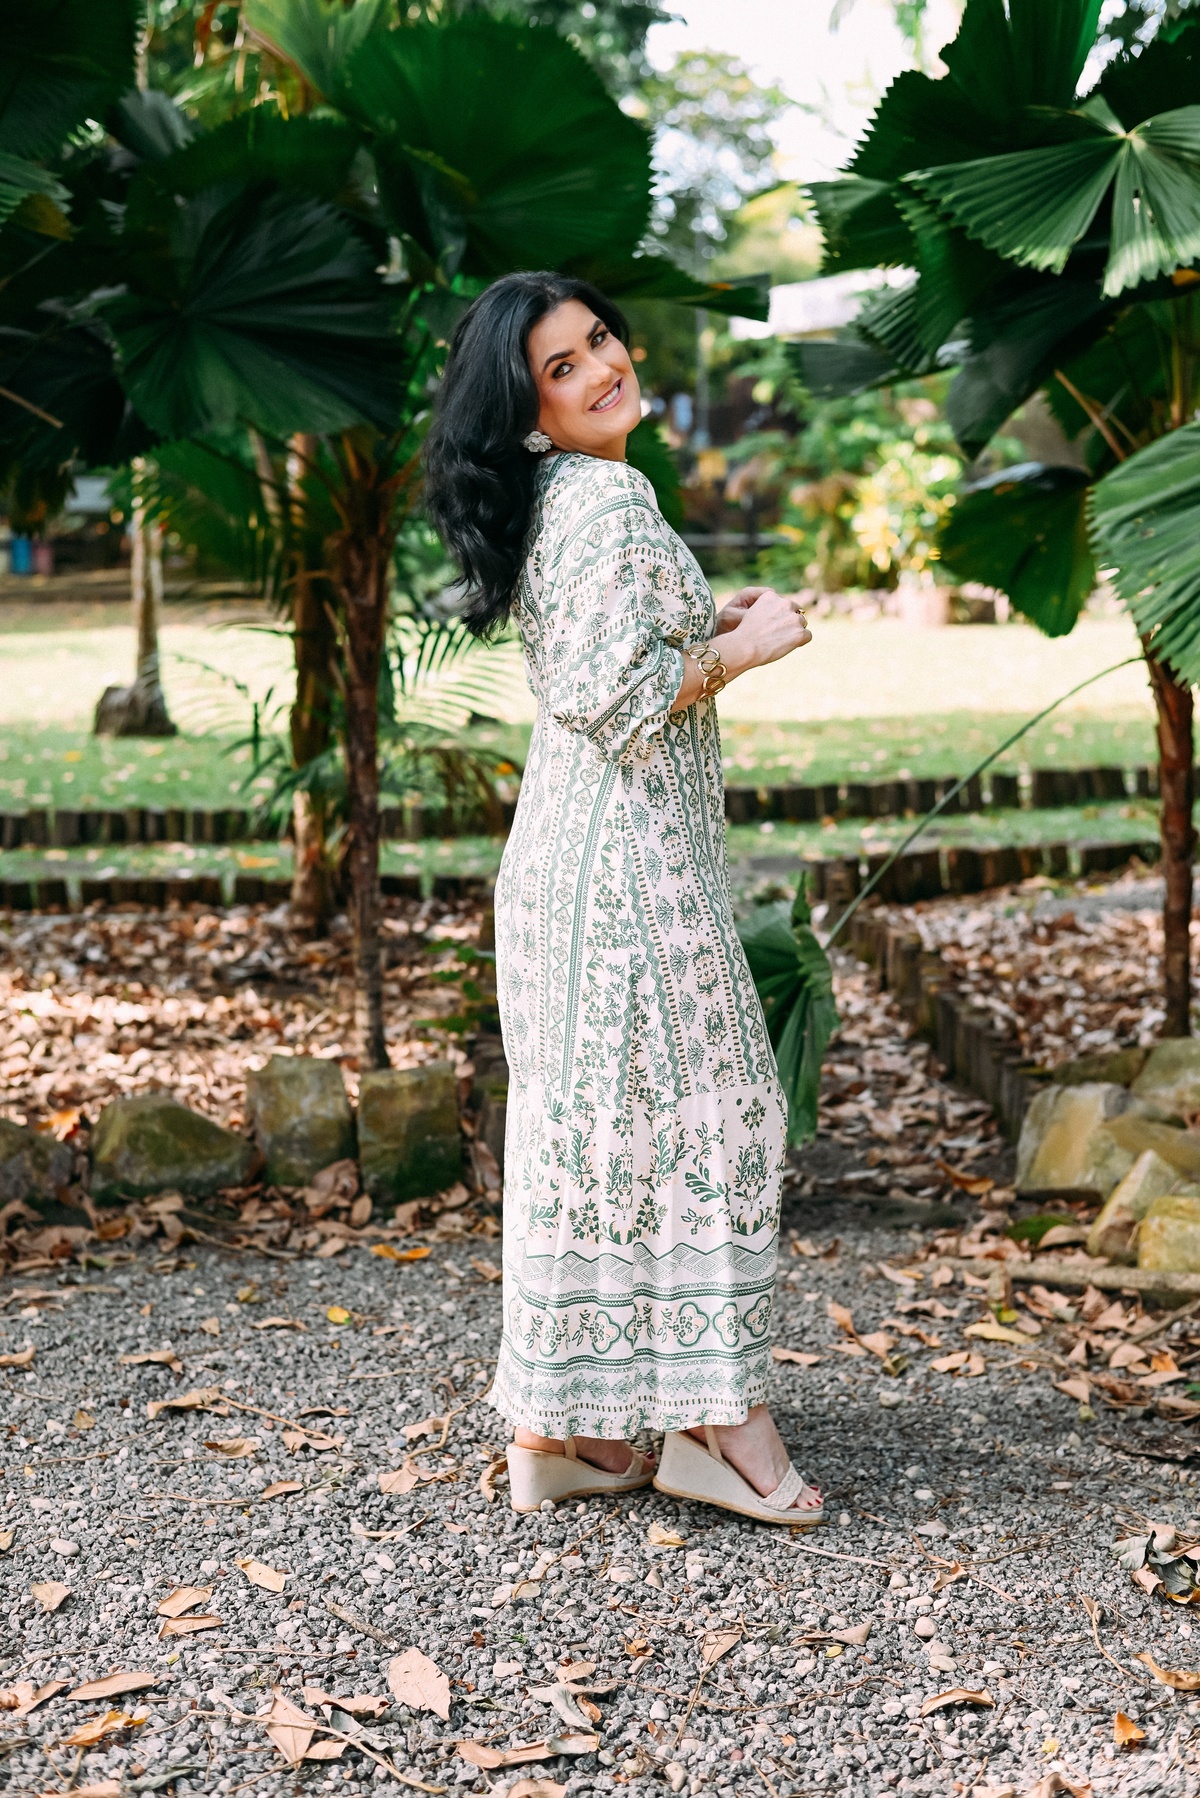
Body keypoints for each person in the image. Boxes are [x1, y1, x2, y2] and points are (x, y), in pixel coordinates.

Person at [424, 272, 820, 1524]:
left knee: (600, 1135)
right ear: (528, 409)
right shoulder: (606, 497)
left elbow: (608, 651)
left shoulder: (564, 495)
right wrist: (749, 646)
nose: (603, 367)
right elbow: (619, 696)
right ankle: (716, 1422)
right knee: (717, 1114)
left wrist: (705, 618)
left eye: (599, 339)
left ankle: (572, 1432)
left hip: (573, 868)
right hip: (628, 876)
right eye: (562, 366)